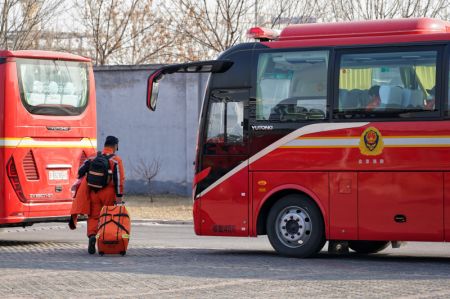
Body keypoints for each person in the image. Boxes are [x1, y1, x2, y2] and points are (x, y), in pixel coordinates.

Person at [77, 136, 125, 254]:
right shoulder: (116, 160)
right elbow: (119, 180)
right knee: (107, 217)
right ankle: (105, 242)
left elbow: (80, 171)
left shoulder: (93, 157)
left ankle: (92, 235)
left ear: (105, 145)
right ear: (115, 146)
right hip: (108, 193)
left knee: (93, 216)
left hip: (94, 192)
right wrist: (119, 197)